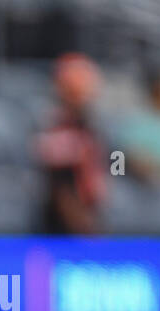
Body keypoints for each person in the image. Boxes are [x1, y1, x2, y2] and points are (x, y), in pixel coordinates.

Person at [35, 53, 107, 234]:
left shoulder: (89, 127)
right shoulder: (60, 129)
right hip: (63, 227)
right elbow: (61, 186)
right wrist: (81, 223)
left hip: (88, 214)